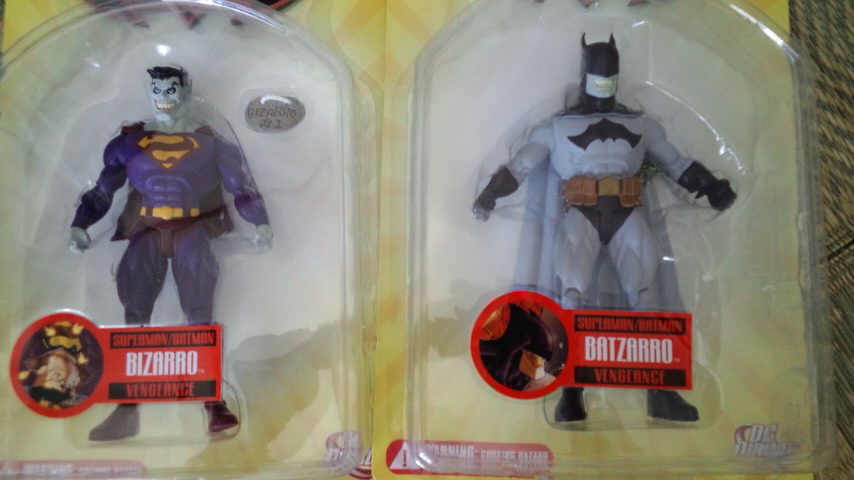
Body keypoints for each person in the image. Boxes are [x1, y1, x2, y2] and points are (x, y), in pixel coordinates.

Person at [473, 35, 736, 422]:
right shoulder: (557, 128)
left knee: (644, 296)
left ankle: (661, 393)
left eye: (607, 80)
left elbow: (677, 165)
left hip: (627, 212)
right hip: (581, 214)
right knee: (572, 296)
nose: (602, 87)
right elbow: (519, 167)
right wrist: (489, 196)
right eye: (597, 79)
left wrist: (712, 187)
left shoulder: (641, 125)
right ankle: (570, 394)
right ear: (584, 76)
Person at [70, 65, 272, 440]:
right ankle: (126, 408)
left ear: (186, 91)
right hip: (146, 230)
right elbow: (102, 190)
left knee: (199, 315)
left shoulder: (211, 143)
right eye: (157, 88)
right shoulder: (129, 142)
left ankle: (212, 403)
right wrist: (81, 224)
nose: (164, 96)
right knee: (134, 319)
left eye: (171, 88)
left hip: (191, 229)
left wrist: (260, 223)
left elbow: (241, 188)